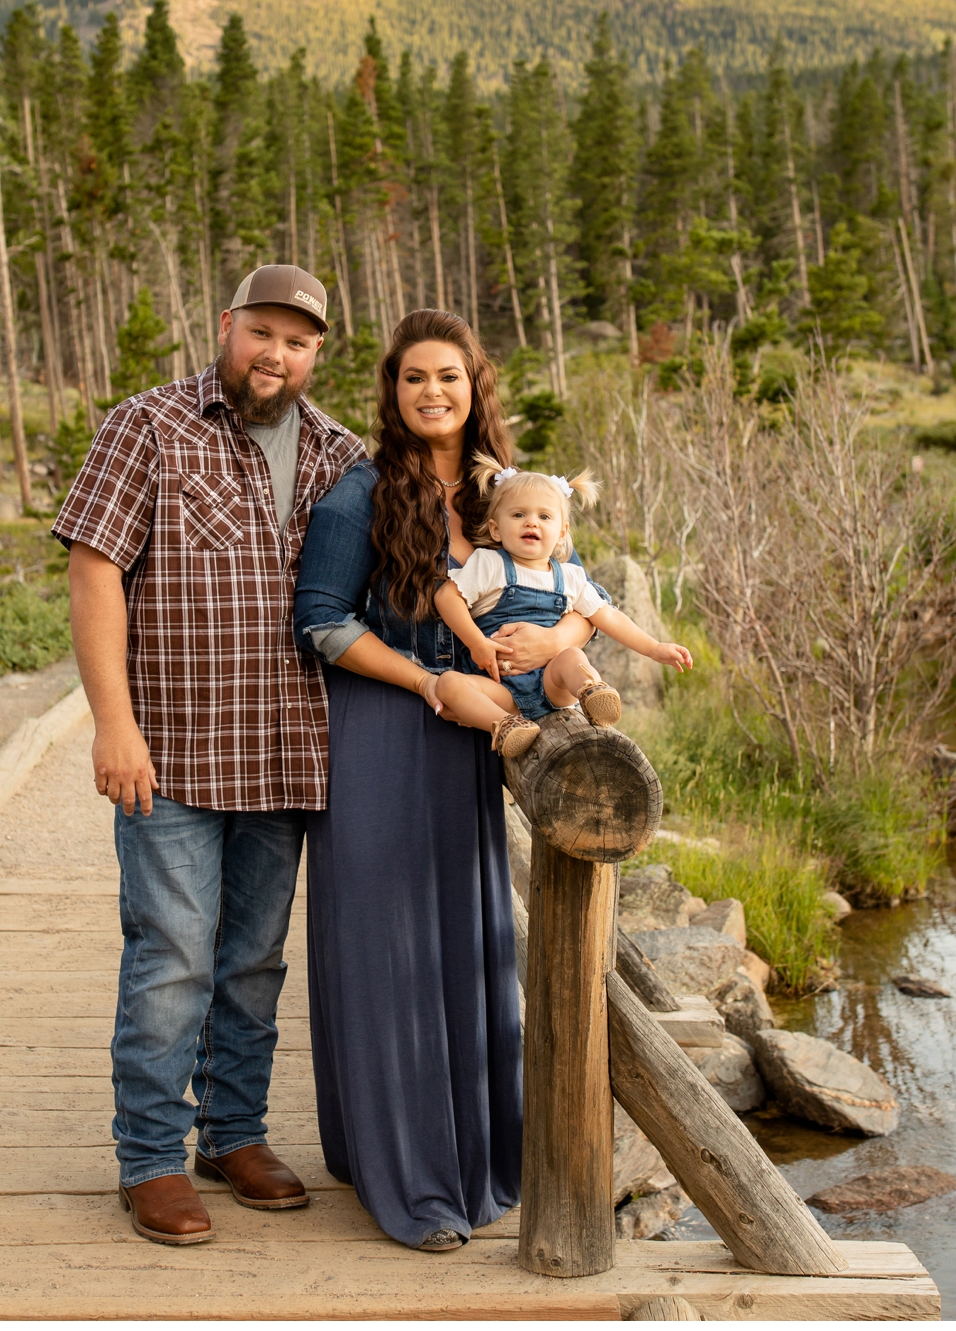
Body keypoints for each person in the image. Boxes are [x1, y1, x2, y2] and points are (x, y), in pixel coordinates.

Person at [54, 264, 367, 1247]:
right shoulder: (146, 424)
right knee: (173, 956)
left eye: (299, 341)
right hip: (173, 748)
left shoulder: (341, 454)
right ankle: (150, 1155)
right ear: (226, 325)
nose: (276, 354)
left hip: (286, 750)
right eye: (262, 331)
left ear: (317, 355)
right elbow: (94, 567)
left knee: (252, 960)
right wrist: (114, 721)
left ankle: (233, 1132)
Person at [291, 309, 602, 1252]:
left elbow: (579, 595)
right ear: (392, 391)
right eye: (414, 377)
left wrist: (559, 642)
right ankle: (414, 1185)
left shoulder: (505, 499)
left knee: (464, 947)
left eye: (450, 377)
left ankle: (477, 1161)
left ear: (477, 389)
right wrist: (433, 681)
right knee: (389, 956)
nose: (433, 393)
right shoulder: (360, 496)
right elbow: (320, 620)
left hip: (470, 747)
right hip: (382, 737)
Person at [431, 458, 695, 757]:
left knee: (572, 655)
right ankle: (506, 726)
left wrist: (654, 648)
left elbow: (608, 616)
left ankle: (592, 692)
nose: (531, 522)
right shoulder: (489, 564)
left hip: (552, 682)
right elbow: (447, 598)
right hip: (500, 691)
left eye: (545, 516)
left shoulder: (570, 576)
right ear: (495, 529)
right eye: (518, 514)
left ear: (561, 533)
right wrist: (476, 643)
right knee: (447, 684)